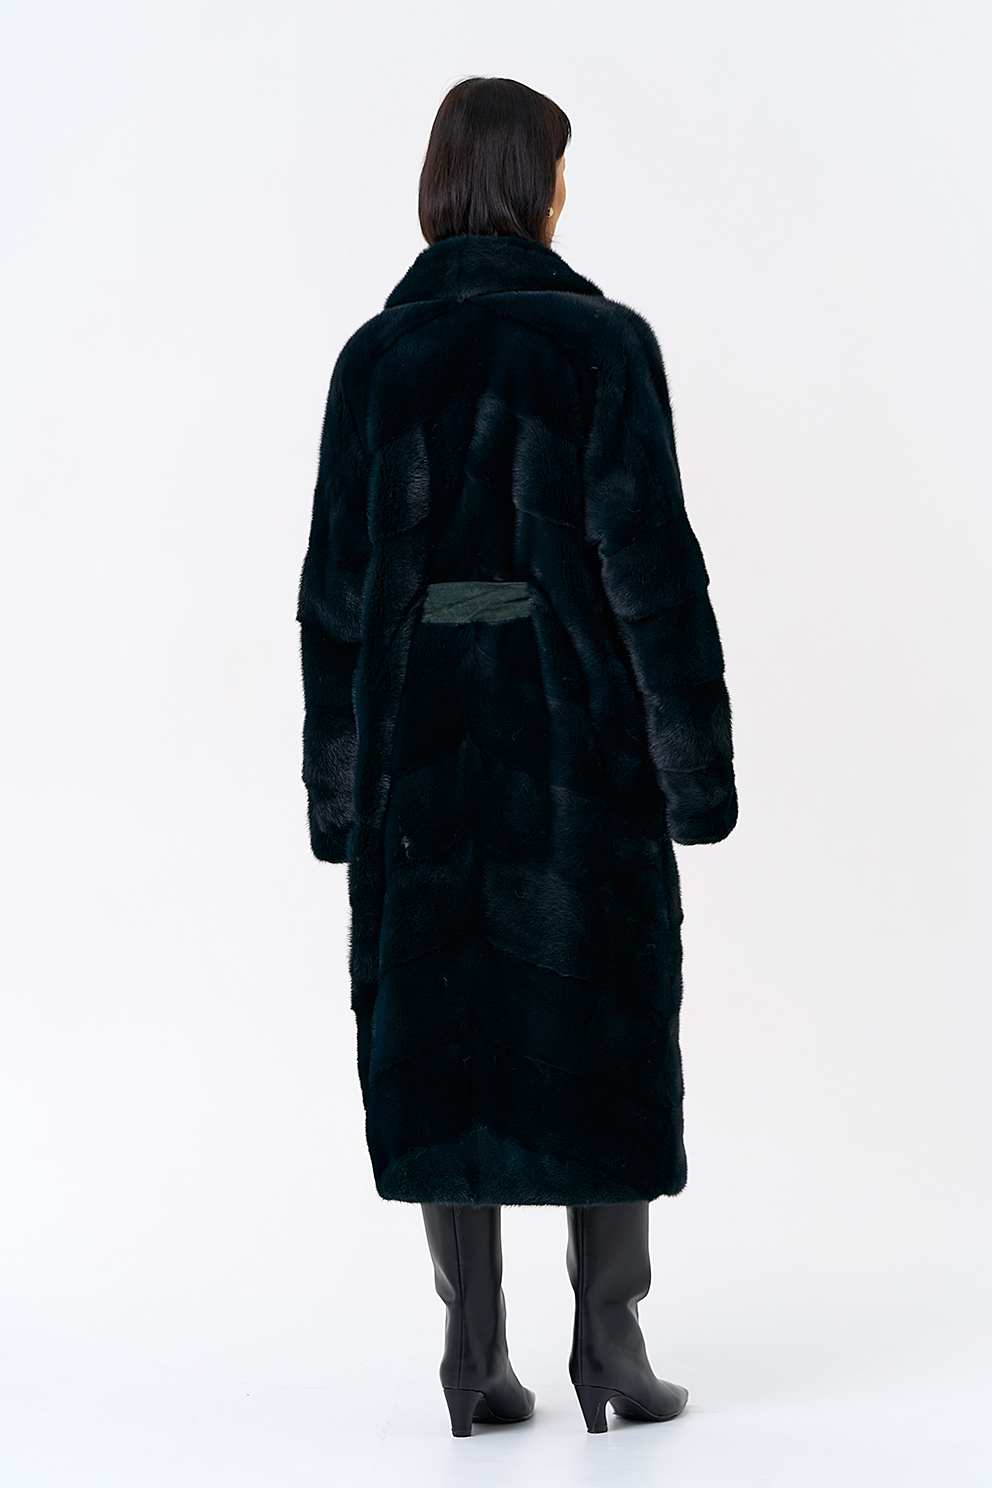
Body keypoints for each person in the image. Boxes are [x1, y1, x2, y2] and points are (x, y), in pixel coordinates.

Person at [296, 76, 738, 1437]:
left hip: (419, 741)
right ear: (533, 185)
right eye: (557, 172)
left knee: (444, 1037)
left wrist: (339, 792)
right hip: (574, 727)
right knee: (604, 1017)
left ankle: (472, 1359)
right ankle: (610, 1348)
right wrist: (693, 775)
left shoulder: (375, 361)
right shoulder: (600, 345)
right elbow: (650, 572)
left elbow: (336, 598)